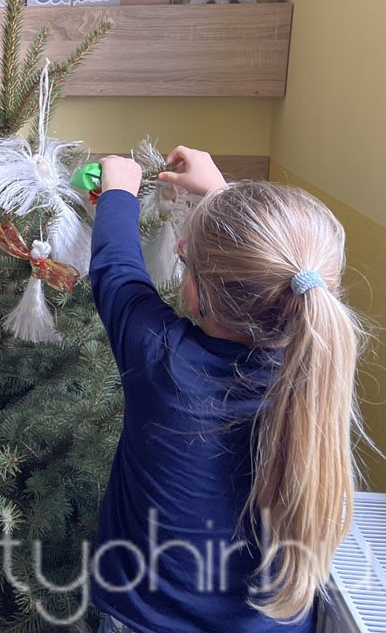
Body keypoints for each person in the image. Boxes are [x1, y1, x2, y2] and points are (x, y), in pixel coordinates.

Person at [88, 146, 367, 633]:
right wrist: (222, 195)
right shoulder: (320, 367)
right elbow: (275, 269)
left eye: (187, 257)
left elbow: (116, 270)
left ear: (197, 291)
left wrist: (116, 191)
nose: (178, 250)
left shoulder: (163, 361)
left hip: (150, 622)